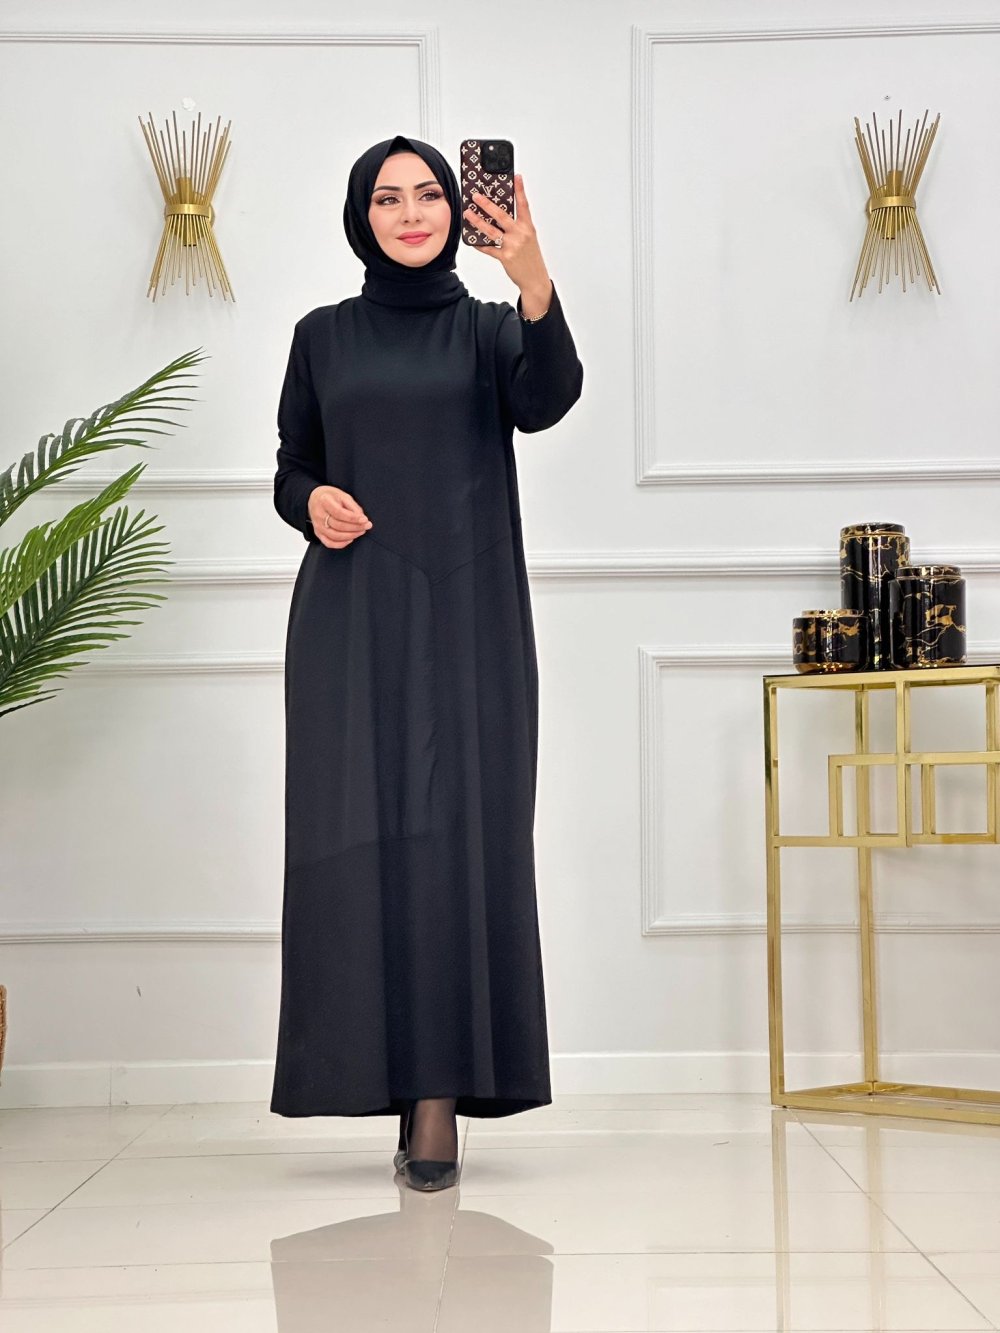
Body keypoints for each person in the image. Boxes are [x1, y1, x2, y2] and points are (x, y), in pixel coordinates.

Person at [269, 133, 583, 1192]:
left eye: (429, 195)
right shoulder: (322, 337)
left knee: (460, 841)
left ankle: (438, 1100)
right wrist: (310, 501)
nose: (411, 213)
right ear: (361, 217)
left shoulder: (491, 331)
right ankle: (378, 1074)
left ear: (458, 209)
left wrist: (531, 275)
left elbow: (548, 397)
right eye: (388, 198)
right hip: (352, 616)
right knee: (362, 840)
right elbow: (293, 465)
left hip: (469, 617)